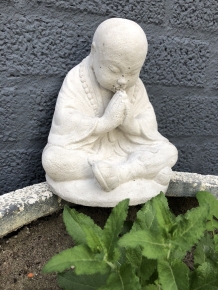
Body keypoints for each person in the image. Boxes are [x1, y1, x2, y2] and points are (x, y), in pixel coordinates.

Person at [42, 18, 178, 192]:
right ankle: (131, 173)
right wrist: (105, 123)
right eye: (114, 70)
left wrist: (131, 124)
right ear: (94, 52)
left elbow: (148, 123)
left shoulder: (136, 87)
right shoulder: (77, 79)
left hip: (128, 153)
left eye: (132, 72)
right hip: (89, 155)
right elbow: (65, 120)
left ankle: (122, 174)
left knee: (169, 151)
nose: (123, 80)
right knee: (53, 160)